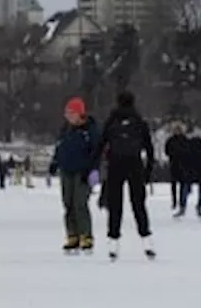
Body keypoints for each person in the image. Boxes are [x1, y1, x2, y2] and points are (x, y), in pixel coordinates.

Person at [100, 91, 156, 260]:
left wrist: (95, 166)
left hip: (115, 164)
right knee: (138, 204)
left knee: (115, 204)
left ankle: (113, 242)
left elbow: (101, 143)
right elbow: (149, 147)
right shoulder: (139, 121)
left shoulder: (112, 120)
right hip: (135, 164)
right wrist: (148, 170)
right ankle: (147, 241)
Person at [49, 97, 102, 254]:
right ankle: (72, 235)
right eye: (67, 114)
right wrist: (55, 162)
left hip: (83, 171)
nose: (68, 117)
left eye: (72, 113)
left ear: (80, 114)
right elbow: (60, 147)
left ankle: (86, 235)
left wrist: (93, 170)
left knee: (80, 203)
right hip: (67, 170)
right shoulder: (66, 129)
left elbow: (96, 152)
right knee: (68, 202)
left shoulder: (90, 130)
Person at [176, 135, 201, 219]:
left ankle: (182, 206)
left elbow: (183, 159)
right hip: (200, 171)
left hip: (189, 172)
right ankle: (199, 206)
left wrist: (182, 169)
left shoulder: (188, 148)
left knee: (185, 188)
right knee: (200, 190)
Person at [164, 123, 190, 211]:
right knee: (174, 184)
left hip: (183, 164)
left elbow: (188, 151)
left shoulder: (185, 140)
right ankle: (174, 201)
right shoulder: (170, 140)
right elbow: (166, 151)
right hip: (174, 163)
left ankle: (181, 202)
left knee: (183, 184)